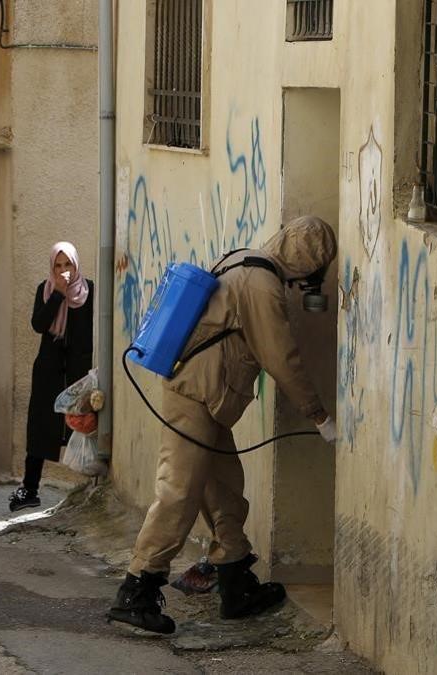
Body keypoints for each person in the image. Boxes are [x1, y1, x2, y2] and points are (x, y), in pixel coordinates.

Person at [108, 216, 338, 634]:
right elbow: (281, 358)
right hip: (196, 397)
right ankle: (136, 590)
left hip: (204, 397)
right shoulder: (262, 286)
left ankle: (235, 583)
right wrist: (318, 414)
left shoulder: (242, 259)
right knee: (179, 493)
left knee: (224, 490)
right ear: (308, 265)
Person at [9, 242, 94, 512]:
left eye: (67, 265)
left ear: (76, 265)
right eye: (58, 266)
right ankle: (30, 489)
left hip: (78, 372)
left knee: (83, 426)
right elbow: (38, 325)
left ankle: (93, 485)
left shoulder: (89, 292)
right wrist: (57, 295)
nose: (63, 271)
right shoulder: (45, 291)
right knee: (40, 427)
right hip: (48, 369)